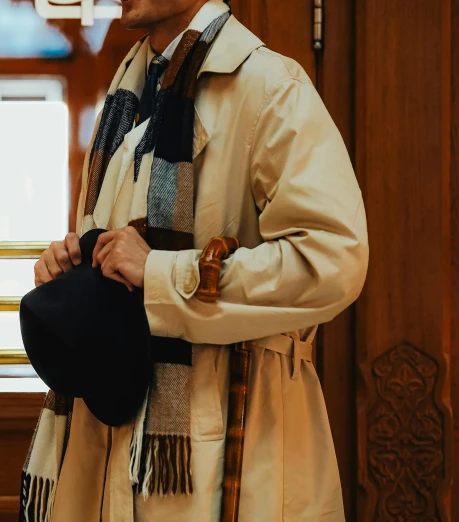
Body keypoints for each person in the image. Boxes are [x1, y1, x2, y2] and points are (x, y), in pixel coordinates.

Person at [26, 0, 368, 520]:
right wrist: (74, 267)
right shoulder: (128, 92)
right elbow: (121, 257)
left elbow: (332, 261)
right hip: (109, 444)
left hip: (229, 457)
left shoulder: (271, 87)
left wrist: (166, 276)